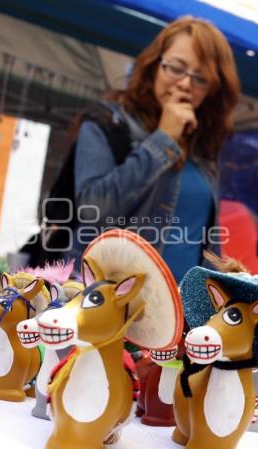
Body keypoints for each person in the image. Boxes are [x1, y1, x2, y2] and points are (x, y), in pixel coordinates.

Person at [68, 16, 240, 283]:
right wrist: (164, 138)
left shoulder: (203, 146)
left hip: (182, 312)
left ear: (212, 91)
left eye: (200, 78)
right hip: (112, 305)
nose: (185, 84)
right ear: (154, 65)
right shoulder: (109, 122)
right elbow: (92, 210)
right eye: (176, 68)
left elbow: (206, 242)